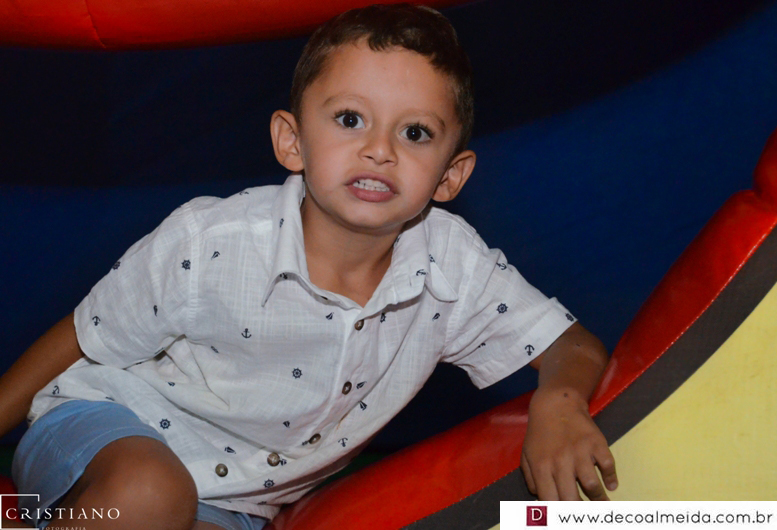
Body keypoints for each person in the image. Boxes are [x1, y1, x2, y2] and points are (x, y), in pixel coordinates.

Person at [0, 4, 616, 529]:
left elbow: (571, 345)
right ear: (291, 142)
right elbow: (83, 334)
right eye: (350, 119)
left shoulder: (453, 269)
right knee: (149, 492)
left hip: (234, 500)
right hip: (100, 435)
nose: (379, 149)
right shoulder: (212, 242)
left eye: (416, 133)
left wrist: (558, 404)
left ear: (450, 176)